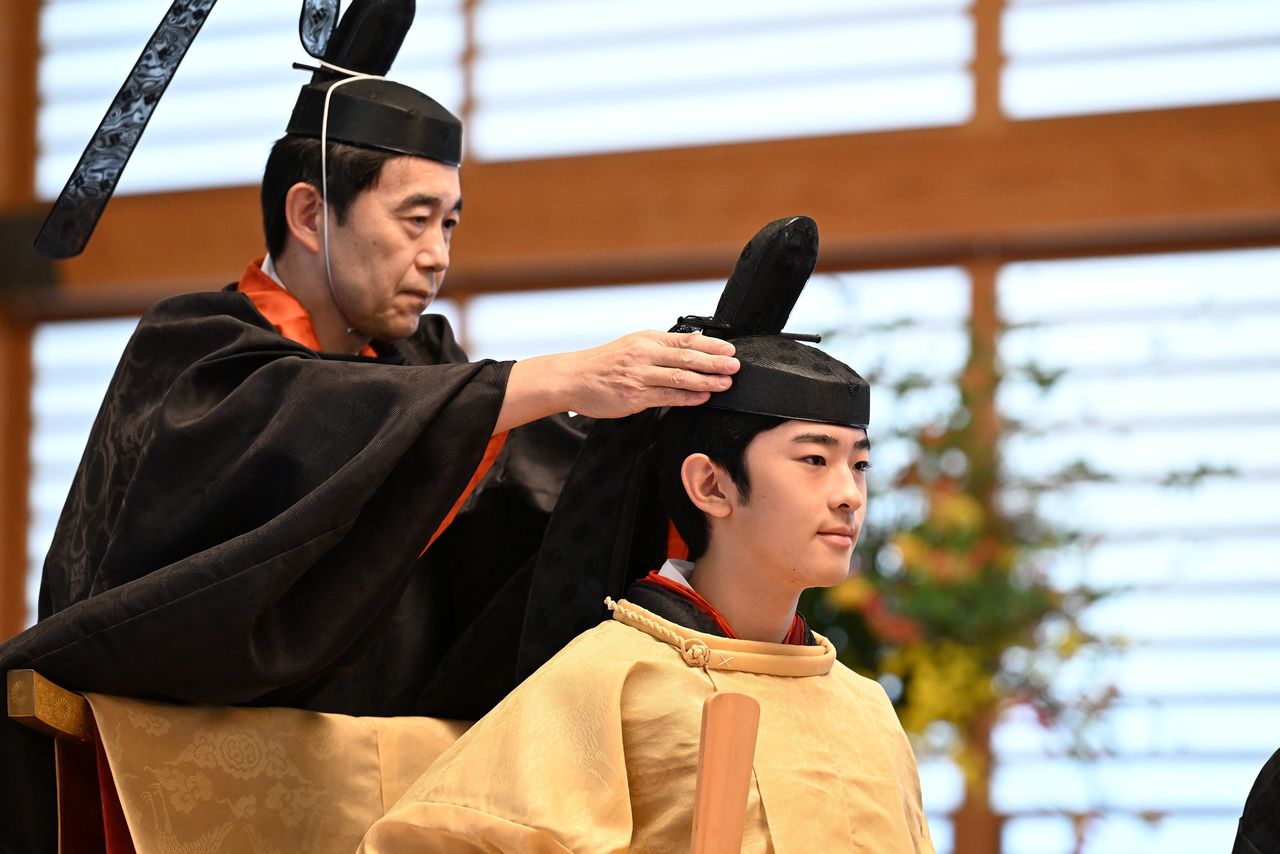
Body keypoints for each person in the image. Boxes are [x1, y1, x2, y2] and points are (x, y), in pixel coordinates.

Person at [0, 39, 738, 854]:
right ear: (310, 214)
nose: (438, 255)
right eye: (414, 220)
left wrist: (683, 451)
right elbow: (312, 428)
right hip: (168, 784)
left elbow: (552, 510)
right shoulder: (196, 353)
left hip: (371, 791)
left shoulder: (427, 371)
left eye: (449, 224)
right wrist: (555, 378)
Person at [358, 334, 935, 853]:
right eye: (814, 459)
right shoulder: (609, 680)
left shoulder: (866, 706)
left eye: (860, 464)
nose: (849, 495)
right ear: (711, 485)